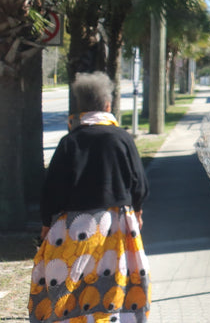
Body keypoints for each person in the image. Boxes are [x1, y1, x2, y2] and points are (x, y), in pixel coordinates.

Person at [29, 72, 150, 323]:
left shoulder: (70, 142)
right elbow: (139, 182)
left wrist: (46, 225)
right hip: (117, 224)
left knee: (71, 282)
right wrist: (136, 212)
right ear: (107, 105)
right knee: (116, 280)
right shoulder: (122, 138)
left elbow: (52, 189)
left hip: (74, 226)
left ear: (81, 108)